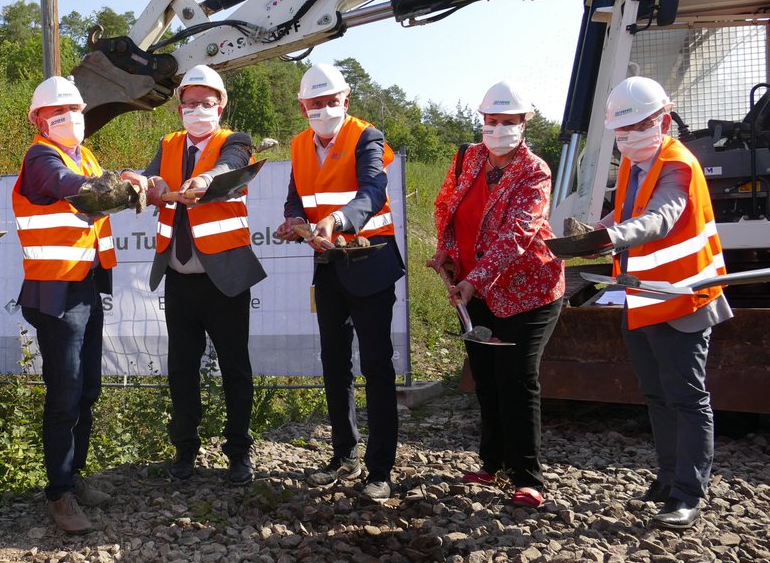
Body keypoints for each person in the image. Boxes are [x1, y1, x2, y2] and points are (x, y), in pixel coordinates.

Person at [12, 76, 146, 533]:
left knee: (87, 389)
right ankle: (59, 494)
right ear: (39, 120)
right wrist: (122, 186)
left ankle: (74, 477)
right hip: (56, 294)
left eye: (74, 109)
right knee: (65, 393)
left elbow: (91, 184)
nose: (68, 118)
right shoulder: (40, 158)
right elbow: (73, 186)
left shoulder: (83, 154)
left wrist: (127, 177)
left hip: (84, 287)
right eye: (57, 112)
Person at [596, 76, 730, 529]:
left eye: (636, 127)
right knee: (656, 394)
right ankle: (669, 477)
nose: (627, 138)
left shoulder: (678, 163)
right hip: (645, 297)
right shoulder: (637, 165)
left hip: (685, 300)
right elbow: (626, 213)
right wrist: (591, 232)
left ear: (664, 121)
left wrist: (608, 237)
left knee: (688, 398)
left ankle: (688, 493)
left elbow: (661, 216)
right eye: (621, 131)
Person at [428, 80, 565, 508]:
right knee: (485, 376)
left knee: (517, 380)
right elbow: (445, 207)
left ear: (525, 123)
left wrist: (475, 280)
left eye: (509, 121)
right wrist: (446, 253)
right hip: (475, 288)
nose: (499, 128)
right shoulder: (467, 158)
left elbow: (517, 235)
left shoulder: (534, 170)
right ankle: (492, 463)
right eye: (492, 120)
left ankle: (528, 477)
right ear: (482, 121)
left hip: (529, 291)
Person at [273, 62, 405, 501]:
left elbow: (373, 193)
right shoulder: (298, 145)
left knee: (376, 367)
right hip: (329, 266)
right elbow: (298, 195)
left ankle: (380, 470)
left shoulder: (366, 137)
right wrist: (293, 219)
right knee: (334, 364)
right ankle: (344, 455)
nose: (324, 109)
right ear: (302, 105)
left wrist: (337, 219)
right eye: (315, 102)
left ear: (346, 100)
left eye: (332, 101)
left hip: (370, 265)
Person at [144, 65, 267, 485]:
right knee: (181, 369)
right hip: (179, 276)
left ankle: (238, 454)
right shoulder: (169, 143)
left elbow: (230, 169)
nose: (197, 110)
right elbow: (149, 178)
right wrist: (140, 183)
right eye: (190, 103)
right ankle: (184, 452)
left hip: (224, 279)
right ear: (179, 106)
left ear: (221, 105)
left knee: (235, 368)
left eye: (206, 103)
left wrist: (204, 178)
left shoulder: (234, 140)